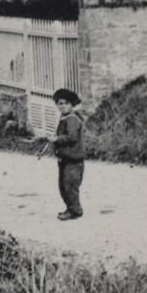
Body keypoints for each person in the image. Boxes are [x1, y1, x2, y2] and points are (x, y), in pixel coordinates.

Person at [48, 88, 86, 220]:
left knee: (70, 185)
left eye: (66, 103)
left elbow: (72, 137)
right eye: (60, 104)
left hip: (73, 159)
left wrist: (57, 139)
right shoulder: (64, 118)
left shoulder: (72, 119)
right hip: (65, 158)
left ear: (72, 105)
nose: (63, 106)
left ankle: (75, 210)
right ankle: (70, 208)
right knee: (63, 185)